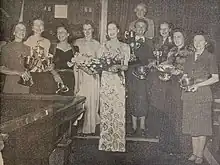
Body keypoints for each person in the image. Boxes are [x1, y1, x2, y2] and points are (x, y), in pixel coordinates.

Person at [181, 33, 219, 164]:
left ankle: (199, 155)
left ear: (205, 42)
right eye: (195, 40)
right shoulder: (190, 57)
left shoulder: (210, 57)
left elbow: (215, 78)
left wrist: (198, 85)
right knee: (192, 124)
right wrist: (183, 80)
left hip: (203, 94)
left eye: (200, 40)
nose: (197, 43)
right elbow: (185, 74)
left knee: (202, 126)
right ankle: (194, 152)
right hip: (189, 94)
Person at [98, 22, 130, 152]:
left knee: (118, 109)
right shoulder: (102, 47)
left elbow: (126, 66)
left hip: (118, 79)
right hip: (106, 79)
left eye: (113, 29)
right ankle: (106, 143)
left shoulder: (125, 47)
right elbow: (99, 64)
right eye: (109, 29)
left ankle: (118, 144)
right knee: (106, 110)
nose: (111, 31)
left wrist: (118, 67)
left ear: (118, 30)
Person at [126, 19, 154, 137]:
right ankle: (133, 126)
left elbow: (153, 58)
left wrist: (150, 65)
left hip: (144, 74)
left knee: (143, 99)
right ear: (134, 28)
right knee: (132, 98)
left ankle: (142, 126)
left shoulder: (150, 42)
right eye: (138, 26)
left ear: (146, 29)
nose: (140, 29)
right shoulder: (128, 42)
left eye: (143, 27)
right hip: (131, 74)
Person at [73, 21, 100, 135]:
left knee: (91, 101)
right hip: (81, 75)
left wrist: (91, 70)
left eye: (89, 29)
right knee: (80, 100)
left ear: (93, 30)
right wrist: (76, 81)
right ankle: (78, 128)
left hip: (92, 76)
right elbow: (75, 62)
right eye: (85, 29)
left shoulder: (97, 44)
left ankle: (90, 129)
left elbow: (99, 64)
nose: (87, 32)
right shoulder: (77, 42)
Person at [0, 23, 30, 93]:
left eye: (24, 30)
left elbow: (29, 67)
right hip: (11, 83)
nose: (22, 31)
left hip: (25, 84)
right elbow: (1, 68)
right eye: (19, 29)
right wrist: (18, 72)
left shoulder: (28, 48)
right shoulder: (6, 48)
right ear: (14, 32)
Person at [50, 25, 76, 95]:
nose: (60, 34)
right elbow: (48, 64)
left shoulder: (75, 49)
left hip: (70, 79)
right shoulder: (52, 48)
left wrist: (78, 84)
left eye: (62, 32)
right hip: (56, 78)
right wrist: (56, 75)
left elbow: (77, 68)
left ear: (68, 34)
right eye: (58, 32)